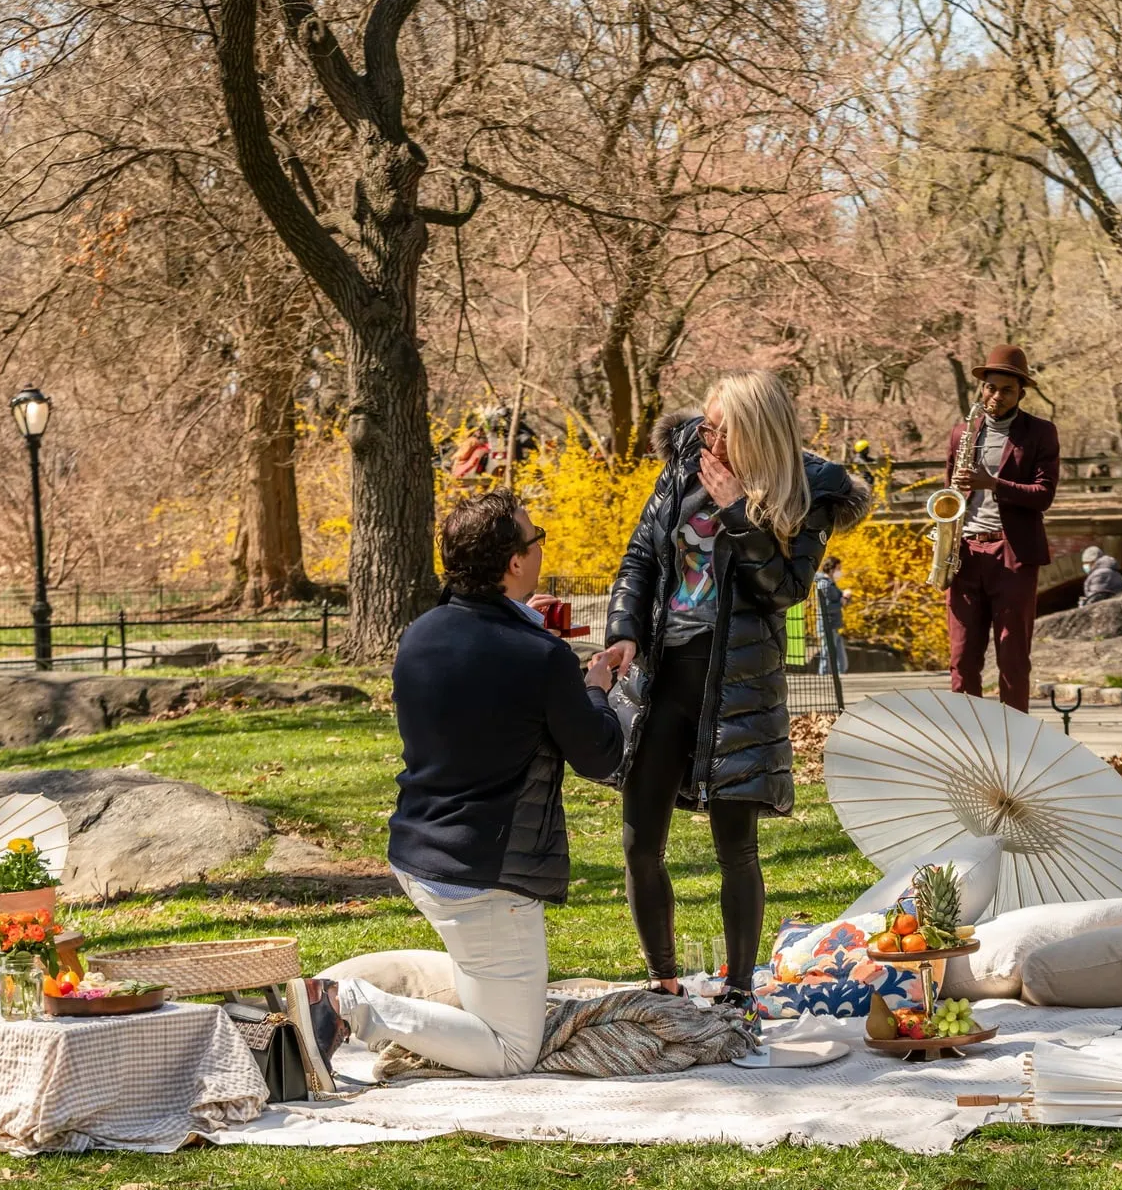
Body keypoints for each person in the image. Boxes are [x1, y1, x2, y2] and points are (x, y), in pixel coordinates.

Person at [285, 489, 625, 1092]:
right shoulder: (541, 657)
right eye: (535, 536)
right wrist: (594, 686)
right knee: (512, 1049)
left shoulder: (421, 633)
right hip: (483, 874)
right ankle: (347, 1004)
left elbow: (484, 678)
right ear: (515, 562)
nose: (541, 543)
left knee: (482, 985)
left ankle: (342, 990)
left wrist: (526, 625)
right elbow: (600, 755)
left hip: (419, 851)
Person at [603, 370, 870, 1006]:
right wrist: (623, 631)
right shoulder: (683, 464)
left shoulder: (808, 490)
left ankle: (738, 987)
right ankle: (661, 978)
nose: (708, 439)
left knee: (735, 848)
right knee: (640, 841)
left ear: (756, 432)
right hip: (663, 676)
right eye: (707, 424)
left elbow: (784, 589)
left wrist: (733, 512)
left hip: (738, 686)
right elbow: (641, 556)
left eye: (722, 430)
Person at [944, 344, 1060, 712]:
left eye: (1007, 390)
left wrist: (992, 483)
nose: (996, 396)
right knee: (962, 660)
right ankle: (967, 745)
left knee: (1012, 659)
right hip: (963, 553)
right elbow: (950, 493)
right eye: (990, 388)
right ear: (982, 388)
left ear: (1021, 392)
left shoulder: (1041, 433)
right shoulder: (961, 433)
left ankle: (1014, 746)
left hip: (1012, 554)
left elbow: (1043, 495)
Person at [814, 555, 851, 676]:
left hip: (833, 623)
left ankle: (841, 671)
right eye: (838, 569)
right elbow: (828, 606)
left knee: (837, 648)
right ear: (831, 569)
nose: (840, 572)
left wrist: (845, 598)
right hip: (827, 623)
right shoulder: (825, 584)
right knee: (827, 650)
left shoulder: (831, 583)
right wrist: (843, 599)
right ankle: (823, 673)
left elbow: (840, 599)